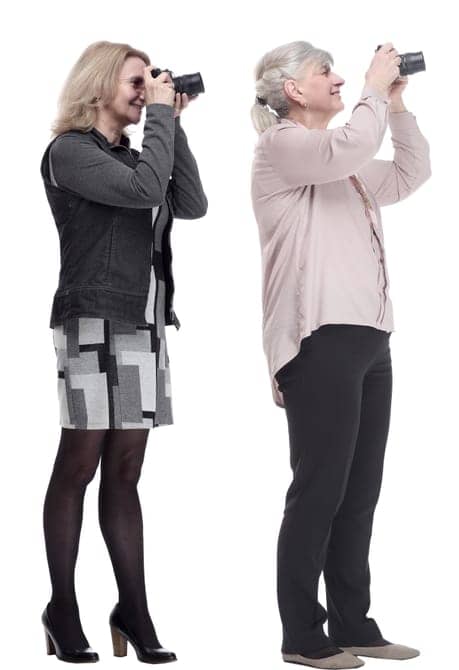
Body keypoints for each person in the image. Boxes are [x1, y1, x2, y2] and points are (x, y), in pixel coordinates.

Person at [250, 40, 431, 670]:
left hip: (369, 339)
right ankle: (302, 634)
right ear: (292, 90)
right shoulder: (283, 148)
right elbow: (346, 145)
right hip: (317, 336)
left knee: (360, 490)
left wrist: (397, 106)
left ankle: (355, 623)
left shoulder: (343, 165)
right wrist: (374, 92)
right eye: (324, 71)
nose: (339, 78)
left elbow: (411, 173)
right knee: (318, 488)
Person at [40, 39, 207, 665]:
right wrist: (161, 118)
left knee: (127, 471)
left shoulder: (139, 153)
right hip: (89, 321)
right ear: (100, 83)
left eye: (149, 83)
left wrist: (174, 121)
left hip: (142, 322)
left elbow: (189, 204)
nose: (145, 91)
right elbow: (142, 192)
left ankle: (132, 610)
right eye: (136, 82)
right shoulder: (70, 153)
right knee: (78, 464)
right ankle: (62, 607)